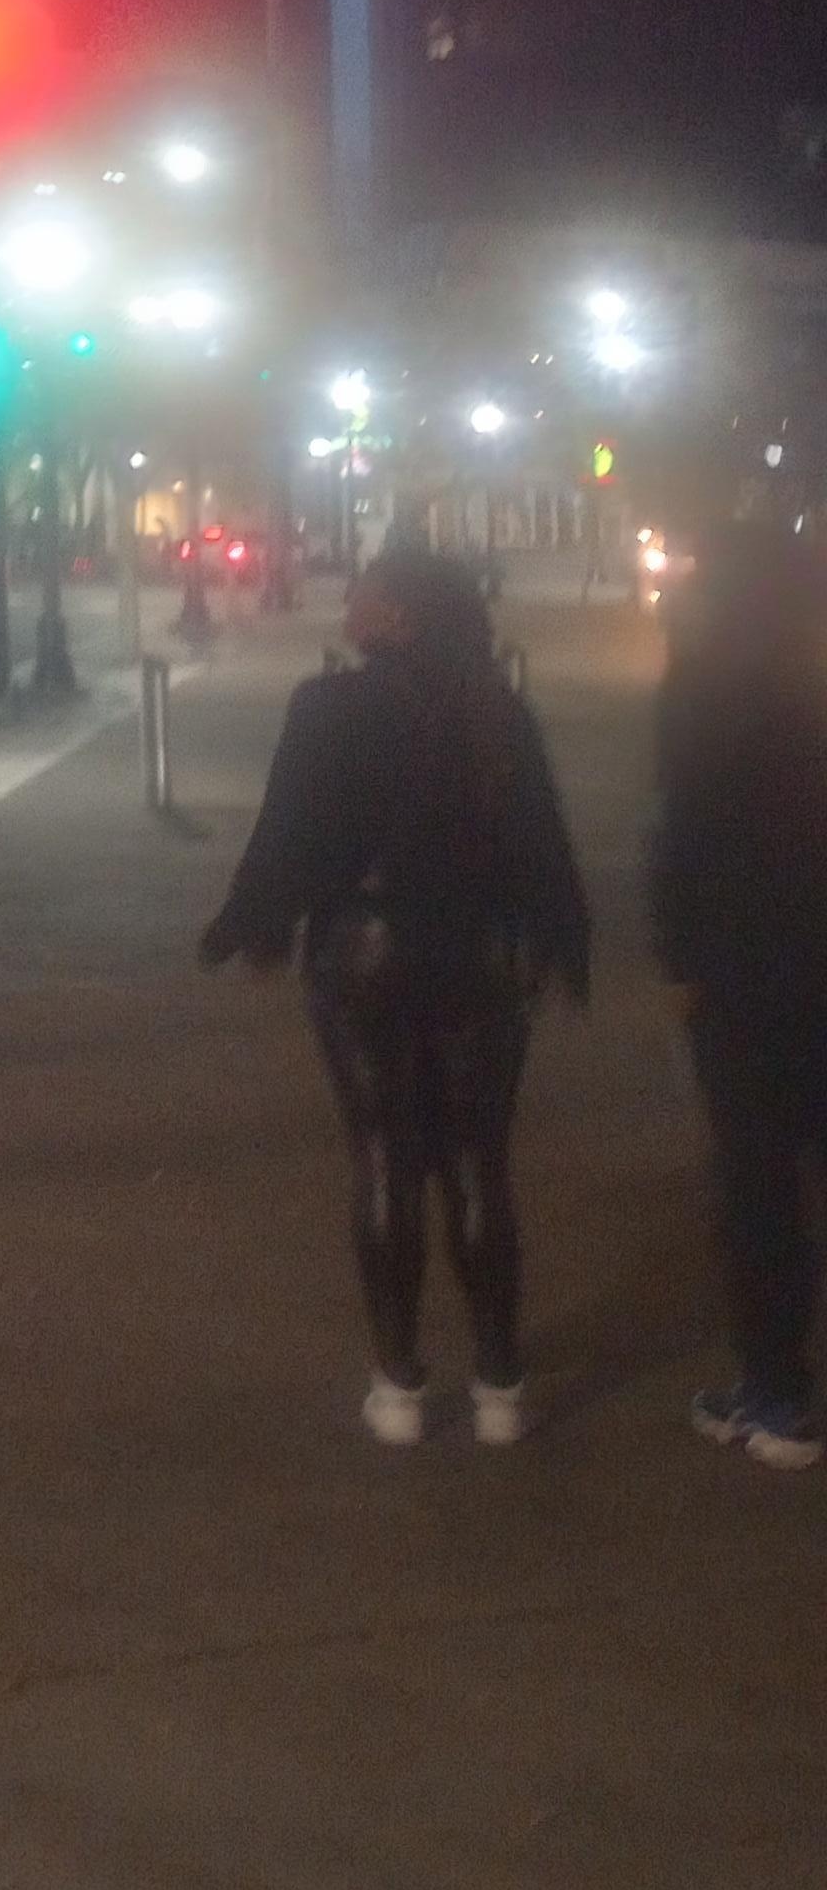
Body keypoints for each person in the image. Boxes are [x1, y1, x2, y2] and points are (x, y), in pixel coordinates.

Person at [201, 544, 590, 1446]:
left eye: (369, 590)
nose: (353, 596)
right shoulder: (496, 712)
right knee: (478, 1159)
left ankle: (401, 1384)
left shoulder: (329, 708)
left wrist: (249, 929)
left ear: (400, 617)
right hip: (484, 956)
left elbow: (289, 837)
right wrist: (563, 944)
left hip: (367, 950)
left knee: (384, 1154)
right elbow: (542, 838)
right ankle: (499, 1383)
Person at [649, 524, 827, 1471]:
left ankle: (778, 1394)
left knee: (759, 1183)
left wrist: (678, 958)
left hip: (751, 966)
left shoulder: (706, 691)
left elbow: (682, 834)